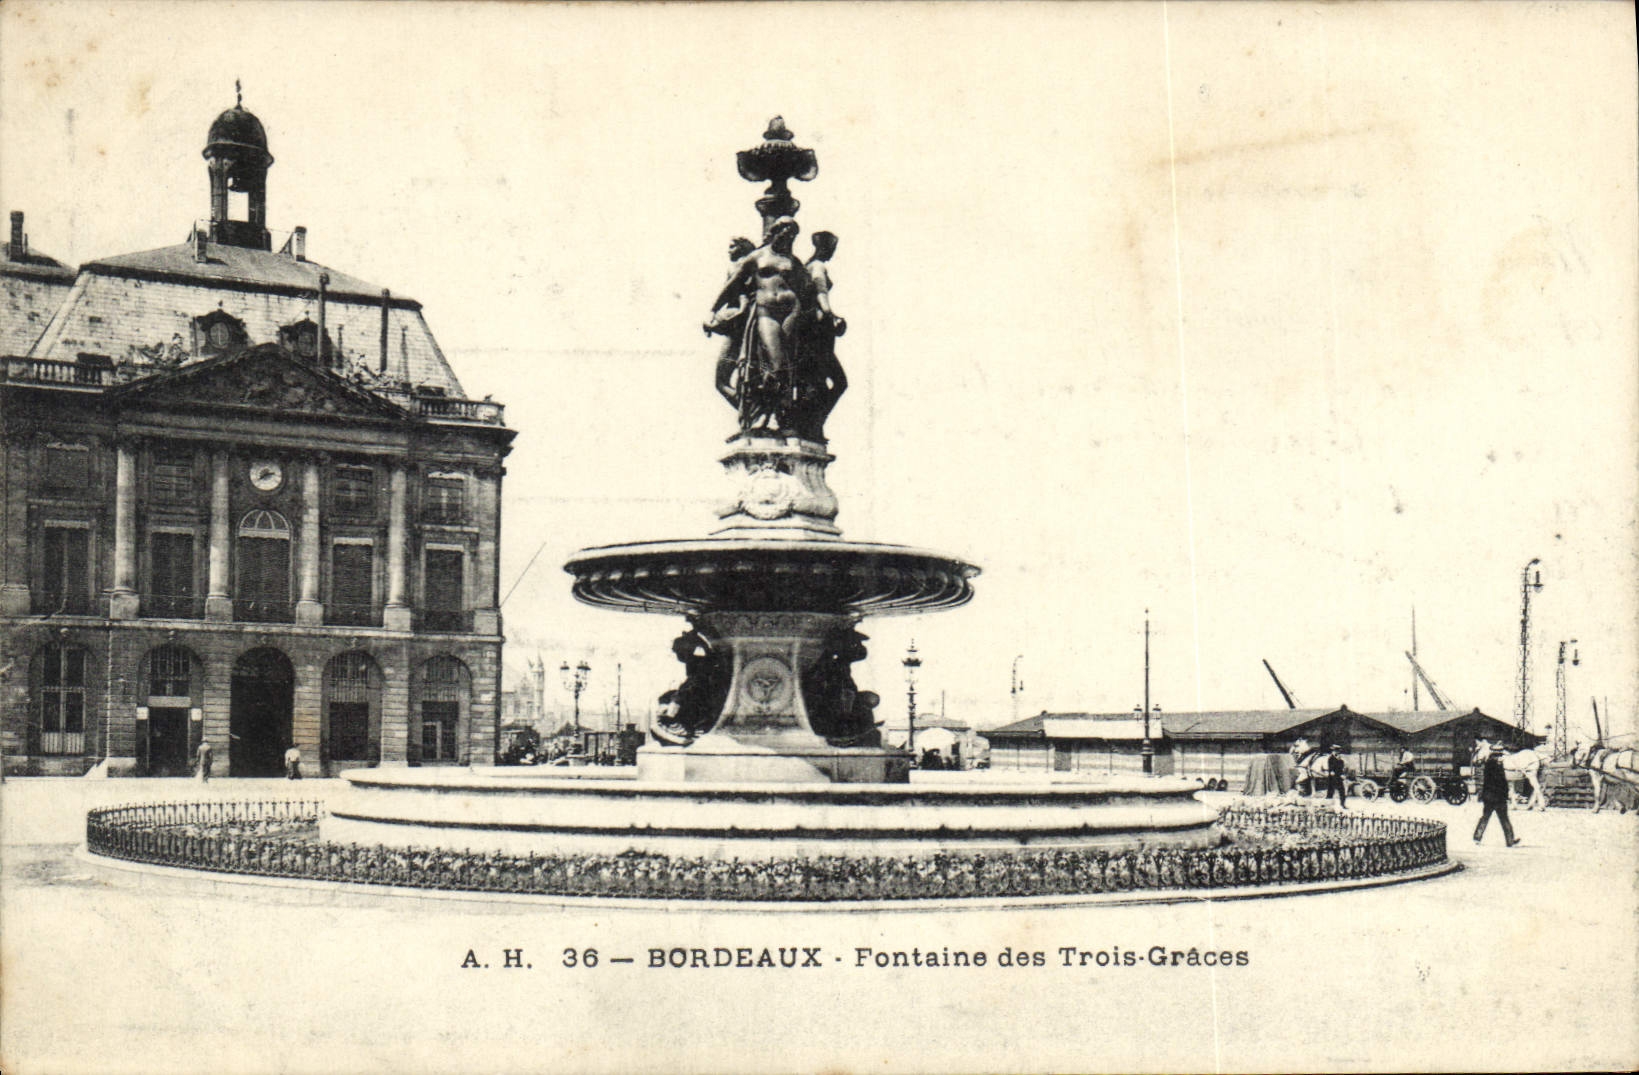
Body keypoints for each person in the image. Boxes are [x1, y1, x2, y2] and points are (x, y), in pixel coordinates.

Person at [1473, 739, 1519, 846]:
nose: (1501, 757)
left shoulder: (1488, 764)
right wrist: (1506, 794)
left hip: (1488, 797)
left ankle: (1477, 837)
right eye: (1500, 755)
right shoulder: (1498, 766)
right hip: (1499, 798)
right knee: (1504, 819)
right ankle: (1510, 840)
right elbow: (1502, 783)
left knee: (1485, 817)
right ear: (1497, 755)